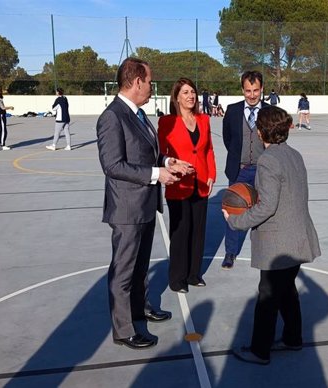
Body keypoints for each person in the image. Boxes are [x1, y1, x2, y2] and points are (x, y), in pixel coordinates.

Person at [96, 57, 194, 350]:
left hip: (145, 203)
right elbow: (112, 165)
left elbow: (146, 154)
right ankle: (124, 329)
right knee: (124, 269)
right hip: (127, 207)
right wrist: (156, 174)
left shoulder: (138, 114)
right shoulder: (112, 117)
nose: (152, 87)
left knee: (140, 265)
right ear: (137, 81)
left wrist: (167, 162)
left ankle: (140, 308)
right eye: (150, 81)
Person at [223, 105, 320, 365]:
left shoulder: (267, 160)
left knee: (267, 295)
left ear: (260, 131)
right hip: (299, 236)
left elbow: (267, 206)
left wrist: (235, 221)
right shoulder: (294, 155)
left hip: (279, 242)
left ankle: (259, 351)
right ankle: (293, 338)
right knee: (287, 290)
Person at [157, 78, 216, 293]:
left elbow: (208, 150)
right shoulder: (167, 122)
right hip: (178, 185)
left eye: (192, 91)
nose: (190, 95)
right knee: (180, 233)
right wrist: (172, 167)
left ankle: (193, 274)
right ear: (176, 97)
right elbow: (161, 153)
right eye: (185, 92)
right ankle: (177, 278)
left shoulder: (204, 120)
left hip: (201, 182)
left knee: (198, 231)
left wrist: (211, 174)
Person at [221, 70, 269, 269]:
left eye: (255, 90)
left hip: (263, 170)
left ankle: (263, 250)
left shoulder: (269, 111)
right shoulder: (232, 111)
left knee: (264, 212)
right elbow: (228, 138)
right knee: (233, 212)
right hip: (239, 170)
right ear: (242, 90)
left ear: (262, 89)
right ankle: (230, 252)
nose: (252, 95)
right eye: (248, 91)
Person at [0, 85, 14, 150]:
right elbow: (3, 108)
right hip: (0, 115)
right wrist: (10, 107)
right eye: (1, 90)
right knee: (4, 130)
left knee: (1, 130)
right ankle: (2, 145)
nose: (2, 91)